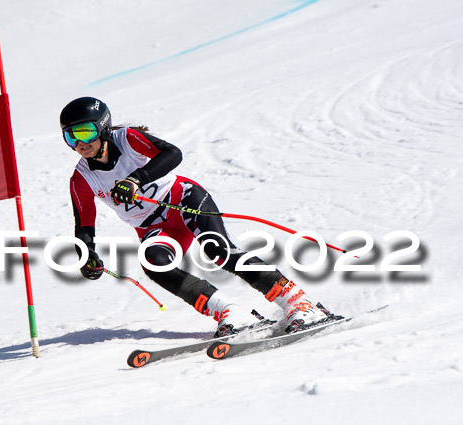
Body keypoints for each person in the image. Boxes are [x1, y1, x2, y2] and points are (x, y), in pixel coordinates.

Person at [61, 96, 338, 336]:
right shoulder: (82, 179)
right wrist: (87, 255)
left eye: (84, 132)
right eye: (70, 136)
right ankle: (231, 313)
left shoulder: (128, 138)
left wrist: (136, 179)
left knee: (218, 250)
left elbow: (172, 153)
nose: (79, 142)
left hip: (184, 201)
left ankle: (299, 303)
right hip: (154, 228)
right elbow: (84, 225)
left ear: (103, 128)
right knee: (154, 263)